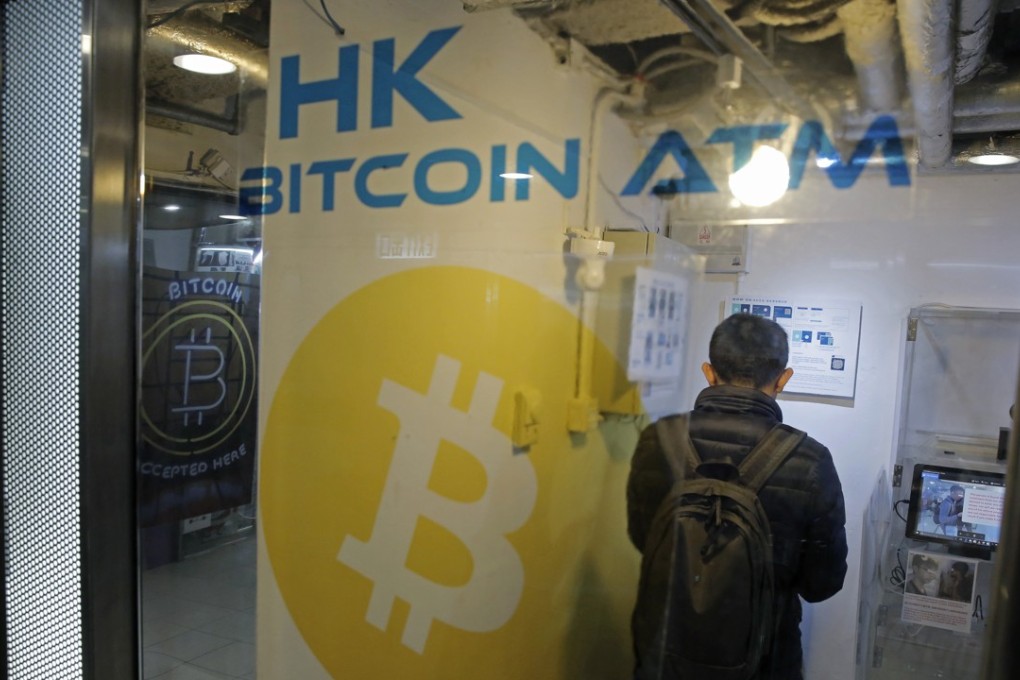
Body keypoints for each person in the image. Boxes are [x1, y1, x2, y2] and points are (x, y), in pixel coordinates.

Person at [627, 313, 848, 680]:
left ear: (709, 372)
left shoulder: (658, 439)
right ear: (783, 379)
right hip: (765, 663)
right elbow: (821, 584)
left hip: (666, 657)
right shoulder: (810, 460)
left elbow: (643, 538)